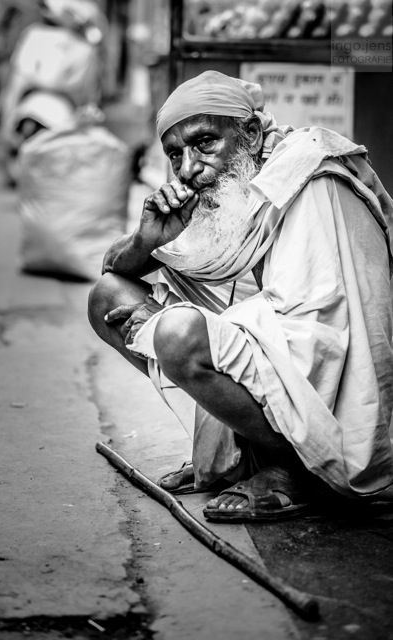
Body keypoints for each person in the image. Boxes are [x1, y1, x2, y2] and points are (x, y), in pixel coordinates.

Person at [88, 70, 393, 522]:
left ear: (249, 134)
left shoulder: (308, 179)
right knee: (107, 299)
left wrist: (178, 323)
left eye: (204, 143)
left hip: (327, 362)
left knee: (175, 333)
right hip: (272, 341)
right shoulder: (223, 187)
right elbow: (113, 270)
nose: (189, 168)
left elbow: (320, 332)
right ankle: (244, 454)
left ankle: (294, 468)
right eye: (175, 155)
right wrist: (147, 239)